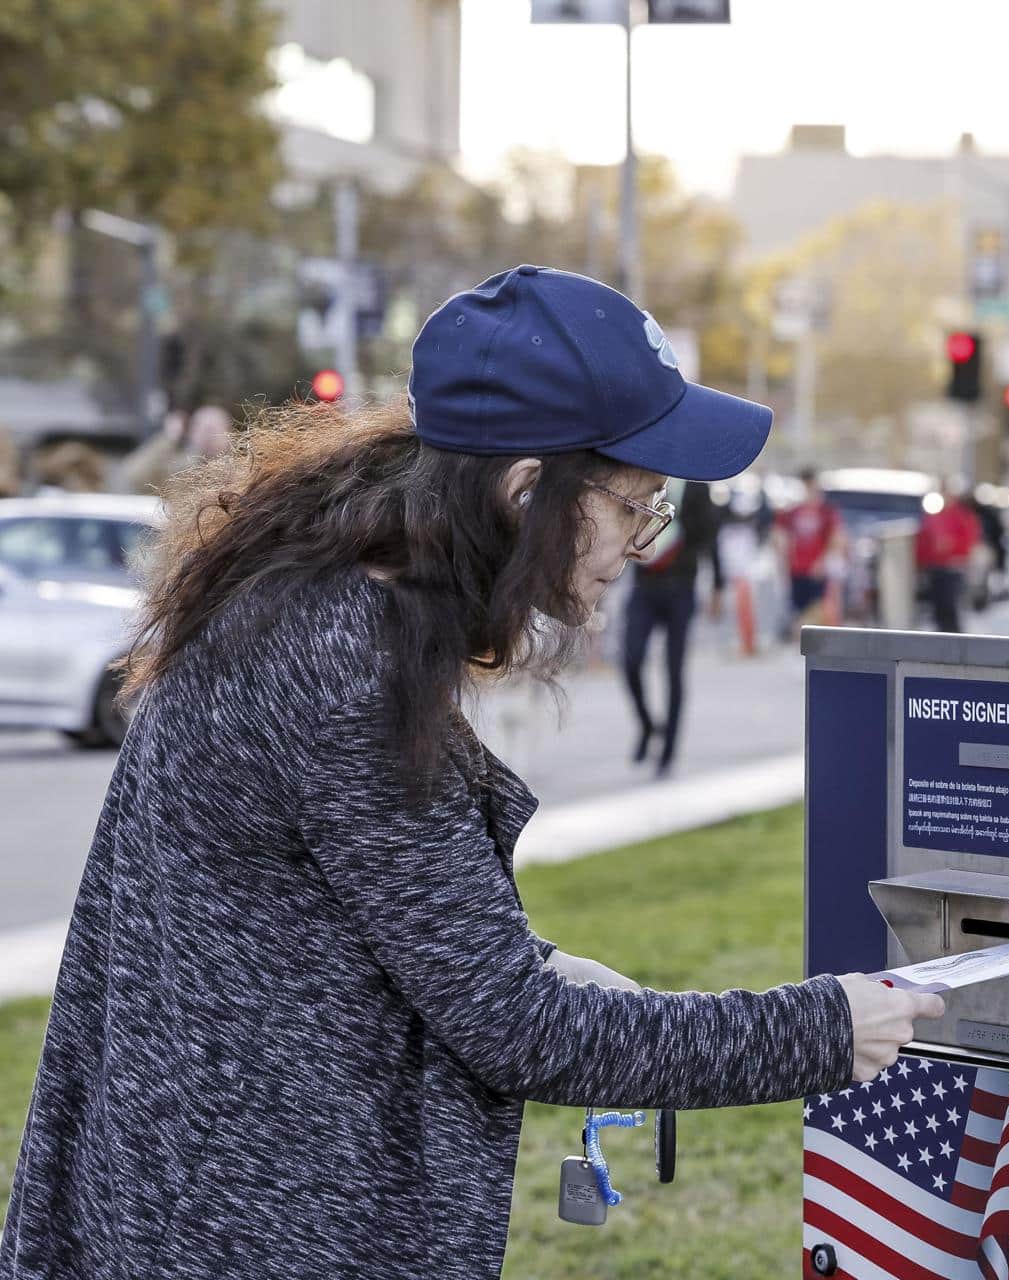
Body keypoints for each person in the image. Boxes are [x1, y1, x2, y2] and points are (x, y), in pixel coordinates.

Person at [0, 265, 941, 1279]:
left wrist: (526, 951)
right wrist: (825, 1028)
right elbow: (518, 1030)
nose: (642, 543)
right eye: (634, 505)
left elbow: (341, 908)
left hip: (202, 1211)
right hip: (251, 1230)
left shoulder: (322, 612)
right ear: (527, 487)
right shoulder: (341, 664)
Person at [623, 477, 723, 775]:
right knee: (631, 659)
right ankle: (647, 725)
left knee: (674, 670)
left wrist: (719, 584)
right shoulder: (648, 475)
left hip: (681, 586)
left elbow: (710, 534)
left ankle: (668, 751)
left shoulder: (696, 485)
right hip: (645, 584)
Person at [773, 467, 843, 638]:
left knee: (816, 610)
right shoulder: (792, 511)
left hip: (816, 569)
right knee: (798, 609)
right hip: (797, 568)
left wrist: (823, 561)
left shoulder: (825, 511)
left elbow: (835, 538)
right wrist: (783, 559)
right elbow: (779, 535)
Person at [118, 403, 234, 494]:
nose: (208, 437)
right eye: (201, 430)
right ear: (192, 434)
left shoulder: (237, 472)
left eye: (213, 430)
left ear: (229, 433)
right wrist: (168, 439)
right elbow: (133, 475)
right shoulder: (178, 469)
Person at [916, 477, 981, 633]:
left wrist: (953, 547)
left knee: (950, 607)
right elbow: (923, 539)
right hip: (935, 567)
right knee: (938, 609)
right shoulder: (934, 515)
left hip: (953, 567)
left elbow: (969, 539)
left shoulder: (961, 515)